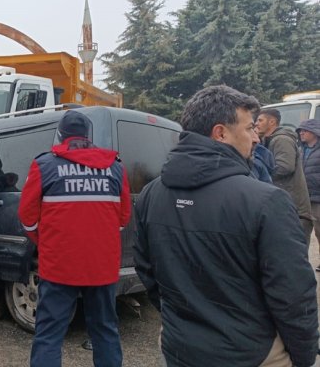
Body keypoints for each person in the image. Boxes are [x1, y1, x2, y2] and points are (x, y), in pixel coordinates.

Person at [134, 85, 318, 367]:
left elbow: (147, 270)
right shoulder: (267, 201)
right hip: (252, 354)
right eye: (248, 128)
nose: (256, 138)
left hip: (180, 347)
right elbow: (293, 296)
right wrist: (304, 357)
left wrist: (180, 319)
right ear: (220, 133)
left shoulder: (151, 193)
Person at [18, 110, 131, 367]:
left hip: (59, 266)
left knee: (49, 334)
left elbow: (27, 217)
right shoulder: (115, 168)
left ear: (61, 135)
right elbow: (123, 218)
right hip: (101, 267)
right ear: (88, 136)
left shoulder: (44, 165)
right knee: (105, 331)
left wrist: (45, 242)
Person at [256, 108, 314, 246]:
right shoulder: (269, 140)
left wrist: (260, 174)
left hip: (295, 210)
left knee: (295, 257)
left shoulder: (282, 139)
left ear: (272, 122)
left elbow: (285, 167)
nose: (256, 123)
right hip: (286, 207)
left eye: (260, 120)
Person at [298, 118, 320, 268]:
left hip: (318, 198)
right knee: (301, 232)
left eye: (304, 130)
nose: (301, 133)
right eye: (300, 130)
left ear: (315, 132)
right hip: (304, 198)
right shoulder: (300, 149)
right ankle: (301, 262)